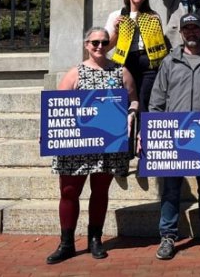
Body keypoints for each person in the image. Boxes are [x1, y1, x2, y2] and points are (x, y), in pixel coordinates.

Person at [47, 27, 139, 265]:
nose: (100, 46)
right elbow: (58, 104)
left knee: (100, 191)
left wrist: (132, 112)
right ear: (86, 44)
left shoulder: (120, 71)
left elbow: (134, 98)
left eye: (104, 42)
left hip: (107, 143)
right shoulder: (75, 72)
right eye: (95, 42)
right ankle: (66, 242)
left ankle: (95, 239)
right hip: (76, 144)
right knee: (69, 192)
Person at [148, 13, 200, 260]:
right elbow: (157, 100)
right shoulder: (169, 61)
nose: (191, 32)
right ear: (181, 33)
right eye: (187, 29)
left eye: (196, 28)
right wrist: (155, 130)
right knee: (171, 188)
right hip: (174, 134)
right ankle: (168, 235)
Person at [106, 0, 169, 113]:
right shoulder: (117, 15)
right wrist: (116, 31)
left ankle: (142, 131)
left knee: (145, 98)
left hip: (148, 61)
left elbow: (160, 44)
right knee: (126, 98)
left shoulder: (153, 15)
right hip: (125, 61)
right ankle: (128, 130)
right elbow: (106, 46)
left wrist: (156, 28)